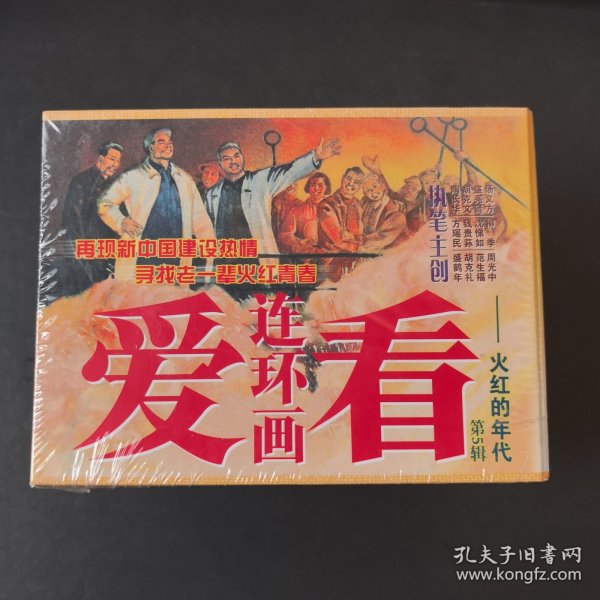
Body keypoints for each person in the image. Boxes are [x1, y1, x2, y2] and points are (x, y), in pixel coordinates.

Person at [97, 127, 215, 280]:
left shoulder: (185, 180)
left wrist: (209, 253)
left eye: (170, 142)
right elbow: (105, 203)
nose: (168, 146)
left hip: (176, 262)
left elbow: (200, 218)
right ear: (150, 147)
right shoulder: (132, 177)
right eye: (161, 142)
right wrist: (121, 221)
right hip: (142, 260)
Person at [203, 138, 341, 262]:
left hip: (257, 262)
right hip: (225, 263)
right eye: (227, 158)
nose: (233, 161)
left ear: (242, 157)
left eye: (236, 156)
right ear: (220, 164)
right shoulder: (212, 194)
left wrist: (315, 157)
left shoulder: (260, 180)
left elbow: (289, 172)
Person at [60, 141, 124, 295]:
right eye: (112, 159)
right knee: (87, 296)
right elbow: (72, 219)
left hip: (110, 251)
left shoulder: (115, 185)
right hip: (87, 251)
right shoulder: (81, 181)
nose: (115, 164)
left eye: (118, 160)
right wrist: (81, 250)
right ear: (101, 158)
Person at [317, 167, 364, 281]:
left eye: (356, 182)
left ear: (360, 186)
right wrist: (360, 246)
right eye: (349, 178)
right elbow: (338, 240)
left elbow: (361, 236)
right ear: (342, 178)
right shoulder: (326, 205)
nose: (351, 184)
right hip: (332, 261)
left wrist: (354, 239)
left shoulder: (358, 205)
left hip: (353, 259)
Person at [278, 172, 331, 254]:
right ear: (308, 188)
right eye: (313, 184)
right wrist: (300, 245)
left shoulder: (333, 209)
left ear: (326, 188)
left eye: (320, 185)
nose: (316, 188)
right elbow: (284, 235)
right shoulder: (297, 210)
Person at [360, 174, 408, 252]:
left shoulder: (396, 212)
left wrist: (360, 240)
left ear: (382, 186)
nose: (373, 192)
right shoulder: (366, 206)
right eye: (367, 190)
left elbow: (382, 237)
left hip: (393, 253)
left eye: (375, 186)